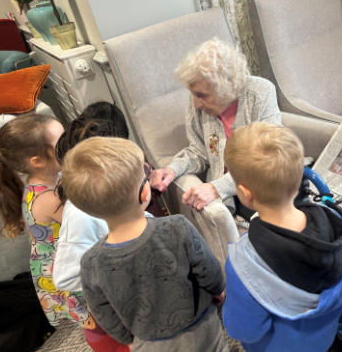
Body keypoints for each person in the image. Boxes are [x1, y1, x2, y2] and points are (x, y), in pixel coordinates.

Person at [220, 122, 342, 352]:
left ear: (245, 194)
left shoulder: (243, 264)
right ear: (300, 178)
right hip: (322, 339)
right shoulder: (337, 225)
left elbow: (244, 330)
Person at [61, 137, 228, 352]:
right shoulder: (177, 227)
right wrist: (218, 290)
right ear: (144, 192)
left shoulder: (90, 263)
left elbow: (102, 310)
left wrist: (126, 339)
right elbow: (207, 268)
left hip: (148, 343)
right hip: (201, 329)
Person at [149, 37, 283, 223]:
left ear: (227, 87)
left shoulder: (260, 93)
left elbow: (268, 159)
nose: (195, 103)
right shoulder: (197, 104)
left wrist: (218, 187)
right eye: (192, 94)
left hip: (260, 188)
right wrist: (172, 169)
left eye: (202, 95)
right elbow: (199, 153)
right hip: (232, 197)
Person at [0, 113, 91, 327]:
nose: (70, 145)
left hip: (64, 253)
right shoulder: (47, 199)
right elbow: (87, 222)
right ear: (38, 161)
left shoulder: (50, 178)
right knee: (94, 317)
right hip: (63, 266)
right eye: (62, 142)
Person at [53, 116, 144, 352]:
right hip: (113, 329)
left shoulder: (115, 200)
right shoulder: (79, 216)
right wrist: (114, 274)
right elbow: (65, 277)